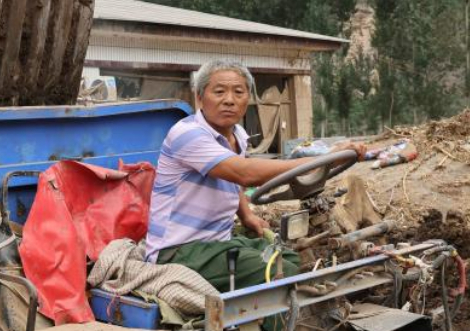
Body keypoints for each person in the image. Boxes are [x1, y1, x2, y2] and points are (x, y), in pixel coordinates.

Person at [146, 60, 364, 291]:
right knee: (277, 272)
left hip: (217, 241)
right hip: (179, 250)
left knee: (291, 259)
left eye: (238, 92)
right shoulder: (187, 134)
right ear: (200, 98)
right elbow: (244, 174)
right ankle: (286, 327)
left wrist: (247, 214)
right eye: (219, 91)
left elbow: (231, 176)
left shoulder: (237, 135)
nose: (229, 99)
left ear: (247, 99)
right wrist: (321, 161)